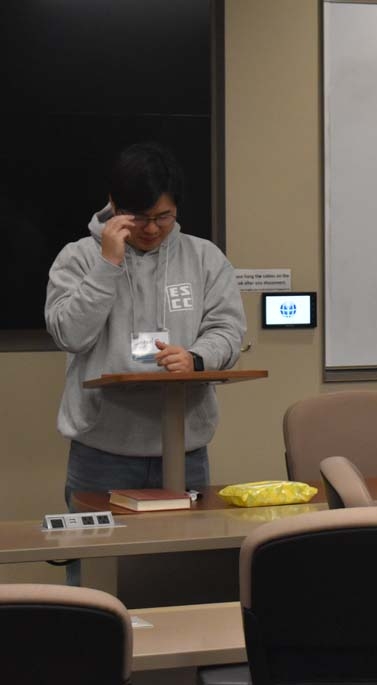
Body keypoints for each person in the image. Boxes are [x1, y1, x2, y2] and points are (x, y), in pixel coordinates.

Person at [45, 142, 245, 505]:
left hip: (184, 448)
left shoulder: (205, 258)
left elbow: (227, 330)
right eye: (139, 217)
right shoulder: (78, 258)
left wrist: (196, 358)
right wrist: (107, 265)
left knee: (187, 544)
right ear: (114, 206)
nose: (152, 229)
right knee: (99, 544)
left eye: (163, 217)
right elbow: (70, 335)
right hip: (101, 453)